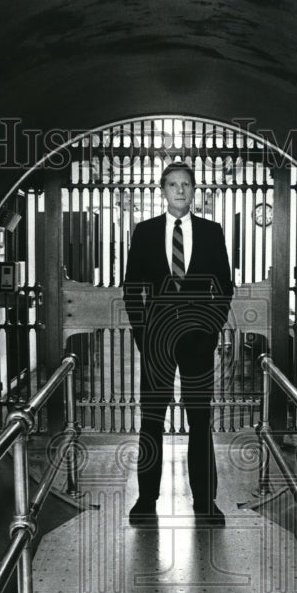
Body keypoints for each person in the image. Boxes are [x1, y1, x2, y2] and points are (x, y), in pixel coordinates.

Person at [122, 161, 234, 527]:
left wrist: (212, 329)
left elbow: (225, 288)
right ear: (163, 190)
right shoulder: (145, 232)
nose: (180, 190)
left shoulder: (211, 232)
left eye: (186, 184)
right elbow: (131, 289)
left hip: (199, 340)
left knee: (200, 420)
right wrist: (143, 336)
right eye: (173, 184)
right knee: (152, 420)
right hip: (156, 339)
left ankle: (205, 502)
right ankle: (145, 500)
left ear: (194, 190)